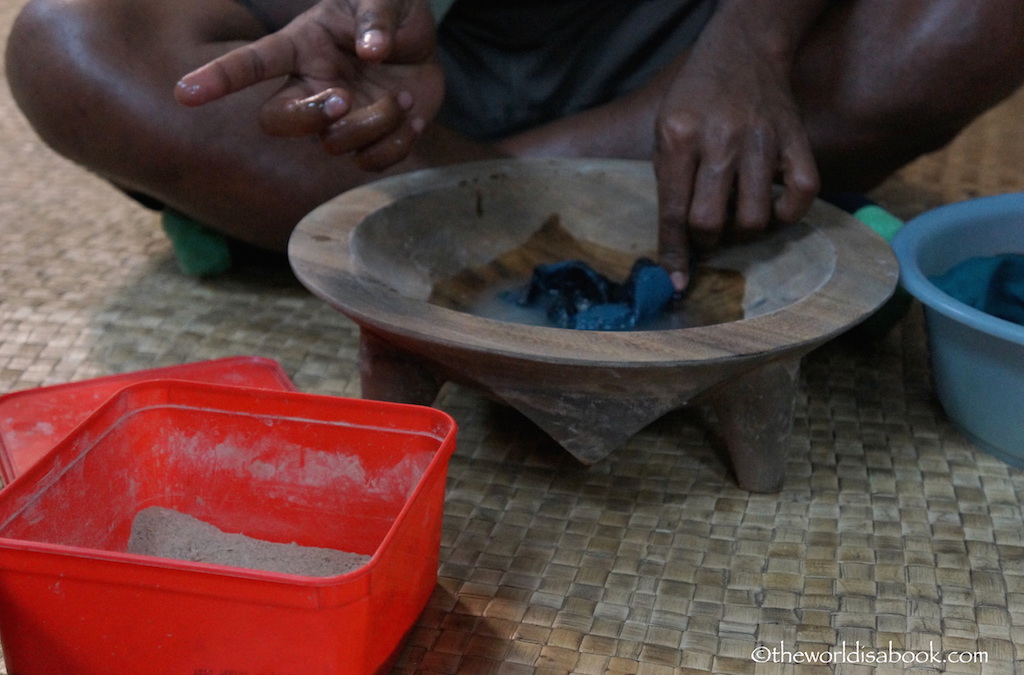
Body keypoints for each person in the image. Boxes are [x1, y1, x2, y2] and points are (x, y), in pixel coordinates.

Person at [6, 0, 1024, 291]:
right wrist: (375, 19)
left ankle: (424, 221)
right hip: (418, 58)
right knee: (71, 45)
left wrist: (750, 44)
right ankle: (605, 205)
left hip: (676, 42)